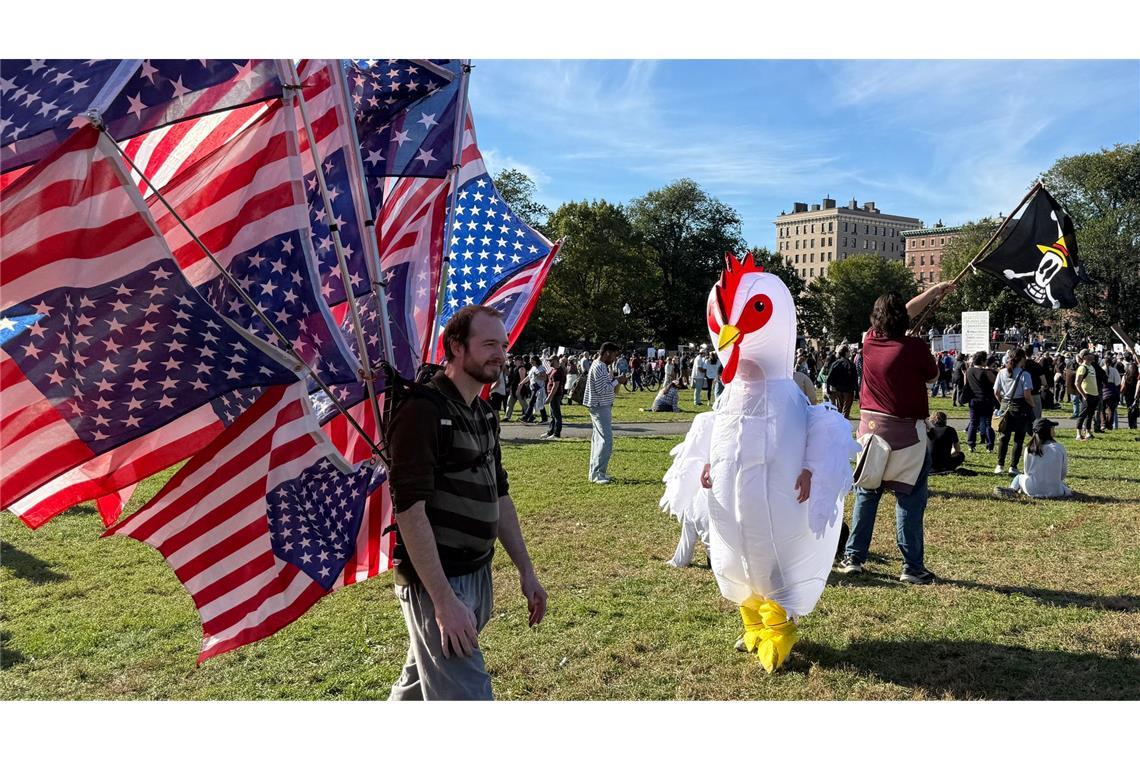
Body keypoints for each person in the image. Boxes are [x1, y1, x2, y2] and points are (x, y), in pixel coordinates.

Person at [386, 305, 547, 701]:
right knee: (468, 696)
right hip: (437, 580)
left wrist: (526, 571)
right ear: (456, 346)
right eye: (489, 344)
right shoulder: (423, 410)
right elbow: (409, 510)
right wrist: (443, 600)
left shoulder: (484, 413)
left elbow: (500, 495)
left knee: (418, 686)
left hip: (477, 572)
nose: (501, 355)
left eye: (504, 346)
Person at [839, 284, 951, 585]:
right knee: (909, 501)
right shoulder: (915, 348)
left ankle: (853, 557)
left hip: (870, 432)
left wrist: (933, 293)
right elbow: (933, 376)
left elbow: (902, 313)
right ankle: (912, 566)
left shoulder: (869, 341)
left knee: (866, 495)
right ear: (903, 320)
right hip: (907, 435)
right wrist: (933, 292)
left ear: (876, 320)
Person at [583, 342, 627, 484]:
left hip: (599, 406)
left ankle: (596, 472)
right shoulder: (599, 366)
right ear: (607, 353)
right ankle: (598, 474)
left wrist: (614, 381)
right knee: (605, 441)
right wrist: (617, 381)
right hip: (600, 406)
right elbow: (602, 389)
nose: (615, 359)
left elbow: (603, 386)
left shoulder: (599, 365)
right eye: (614, 355)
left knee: (598, 440)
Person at [994, 418, 1071, 499]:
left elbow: (1027, 472)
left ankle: (1012, 489)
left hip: (1031, 489)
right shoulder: (1059, 448)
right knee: (1063, 485)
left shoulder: (1029, 449)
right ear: (1048, 431)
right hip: (1055, 491)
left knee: (1019, 477)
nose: (1054, 429)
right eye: (1052, 428)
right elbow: (1063, 473)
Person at [993, 348, 1034, 475]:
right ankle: (1013, 466)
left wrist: (1002, 403)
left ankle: (1000, 465)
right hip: (1020, 406)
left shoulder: (1001, 372)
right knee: (1018, 438)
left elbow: (996, 392)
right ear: (1021, 359)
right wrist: (1033, 405)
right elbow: (1027, 395)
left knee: (1003, 437)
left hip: (1005, 405)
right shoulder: (1025, 374)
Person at [962, 350, 996, 453]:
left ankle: (971, 444)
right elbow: (995, 381)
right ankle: (989, 446)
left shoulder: (969, 371)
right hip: (986, 400)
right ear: (982, 361)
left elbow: (966, 384)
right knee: (988, 424)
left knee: (973, 423)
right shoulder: (986, 372)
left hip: (973, 399)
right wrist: (990, 370)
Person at [825, 345, 857, 418]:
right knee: (846, 410)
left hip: (838, 389)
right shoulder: (850, 365)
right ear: (846, 353)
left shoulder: (835, 363)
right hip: (848, 390)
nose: (849, 353)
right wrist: (856, 391)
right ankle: (844, 423)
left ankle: (840, 422)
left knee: (839, 409)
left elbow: (829, 377)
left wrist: (828, 388)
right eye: (848, 352)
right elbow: (854, 379)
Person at [1075, 349, 1099, 440]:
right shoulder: (1082, 368)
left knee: (1090, 415)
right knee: (1083, 415)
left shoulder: (1091, 367)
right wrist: (1084, 395)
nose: (1092, 355)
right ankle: (1078, 433)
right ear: (1084, 357)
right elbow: (1077, 383)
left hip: (1094, 394)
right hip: (1087, 394)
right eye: (1089, 354)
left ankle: (1088, 432)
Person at [540, 355, 566, 439]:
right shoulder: (554, 370)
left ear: (555, 361)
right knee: (552, 415)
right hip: (553, 395)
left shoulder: (557, 371)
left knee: (556, 415)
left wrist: (549, 397)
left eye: (550, 360)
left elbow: (555, 386)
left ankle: (556, 434)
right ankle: (551, 432)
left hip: (555, 395)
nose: (549, 362)